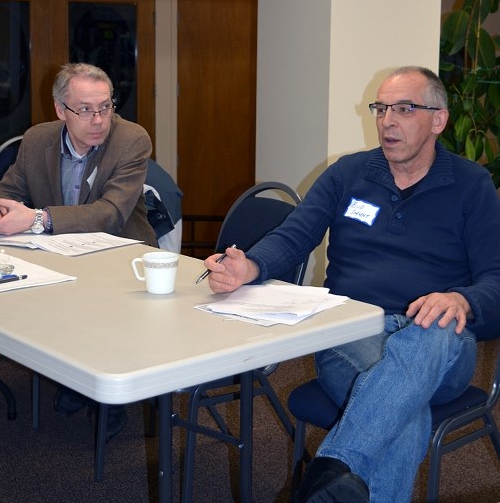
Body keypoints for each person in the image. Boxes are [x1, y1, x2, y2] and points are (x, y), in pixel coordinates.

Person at [202, 66, 500, 503]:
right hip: (352, 330)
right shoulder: (349, 174)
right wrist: (253, 266)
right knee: (404, 412)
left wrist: (462, 299)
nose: (387, 121)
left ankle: (331, 465)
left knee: (432, 332)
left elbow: (496, 276)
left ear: (438, 119)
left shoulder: (470, 185)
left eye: (404, 108)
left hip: (441, 344)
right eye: (382, 108)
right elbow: (295, 235)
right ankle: (336, 474)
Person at [0, 62, 157, 441]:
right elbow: (9, 190)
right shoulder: (37, 140)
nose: (98, 119)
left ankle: (111, 400)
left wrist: (36, 220)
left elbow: (110, 213)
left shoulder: (131, 139)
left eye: (105, 106)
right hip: (57, 254)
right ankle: (71, 378)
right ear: (60, 110)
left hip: (123, 258)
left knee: (99, 313)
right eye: (84, 109)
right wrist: (4, 211)